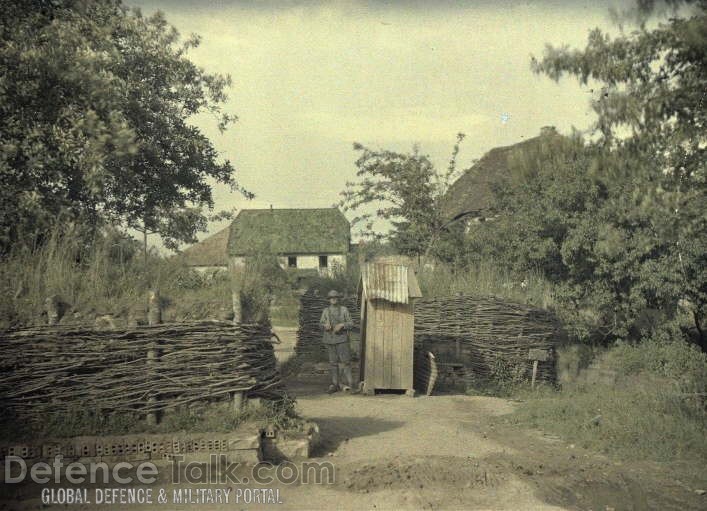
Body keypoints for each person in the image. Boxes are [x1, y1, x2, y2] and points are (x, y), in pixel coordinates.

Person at [319, 289, 355, 393]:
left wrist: (342, 325)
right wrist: (325, 326)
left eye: (335, 297)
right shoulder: (326, 311)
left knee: (346, 362)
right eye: (331, 298)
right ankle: (335, 384)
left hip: (342, 340)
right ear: (329, 299)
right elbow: (320, 325)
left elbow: (351, 324)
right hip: (330, 340)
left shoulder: (344, 310)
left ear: (338, 299)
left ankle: (350, 384)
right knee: (333, 363)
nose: (333, 299)